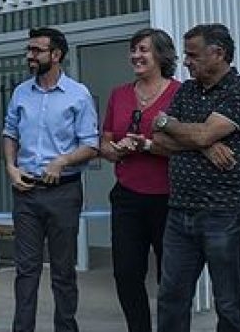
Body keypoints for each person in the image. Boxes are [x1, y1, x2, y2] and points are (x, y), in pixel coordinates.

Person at [152, 23, 240, 332]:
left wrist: (180, 128)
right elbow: (158, 141)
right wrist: (205, 145)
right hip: (180, 210)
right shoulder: (187, 90)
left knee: (228, 301)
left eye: (193, 55)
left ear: (218, 54)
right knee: (171, 296)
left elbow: (198, 133)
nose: (186, 62)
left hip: (225, 212)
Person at [2, 27, 100, 332]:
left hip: (63, 192)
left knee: (62, 271)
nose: (29, 56)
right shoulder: (21, 92)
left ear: (56, 55)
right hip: (26, 191)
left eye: (36, 50)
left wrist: (63, 161)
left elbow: (91, 144)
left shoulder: (78, 94)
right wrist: (10, 166)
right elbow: (10, 133)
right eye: (28, 50)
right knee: (26, 271)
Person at [98, 29, 181, 332]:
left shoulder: (179, 92)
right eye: (133, 50)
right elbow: (105, 142)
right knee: (126, 273)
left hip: (170, 198)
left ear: (162, 54)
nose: (136, 56)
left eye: (143, 49)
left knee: (170, 277)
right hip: (128, 196)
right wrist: (115, 151)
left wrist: (147, 145)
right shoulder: (119, 94)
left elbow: (186, 145)